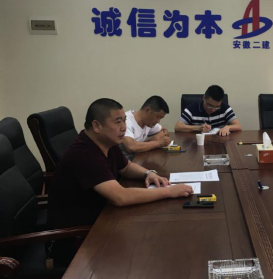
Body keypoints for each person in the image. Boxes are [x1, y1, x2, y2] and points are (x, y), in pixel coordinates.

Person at [48, 98, 194, 232]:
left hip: (103, 213)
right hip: (79, 233)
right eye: (118, 122)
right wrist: (169, 192)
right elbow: (120, 197)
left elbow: (126, 167)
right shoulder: (84, 154)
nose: (124, 127)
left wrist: (148, 173)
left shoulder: (107, 143)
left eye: (124, 121)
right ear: (97, 126)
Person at [175, 85, 242, 137]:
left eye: (217, 106)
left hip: (220, 143)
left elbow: (238, 126)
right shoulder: (192, 108)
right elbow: (178, 127)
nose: (213, 109)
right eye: (210, 105)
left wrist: (228, 127)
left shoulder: (224, 108)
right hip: (197, 144)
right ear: (204, 98)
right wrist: (199, 128)